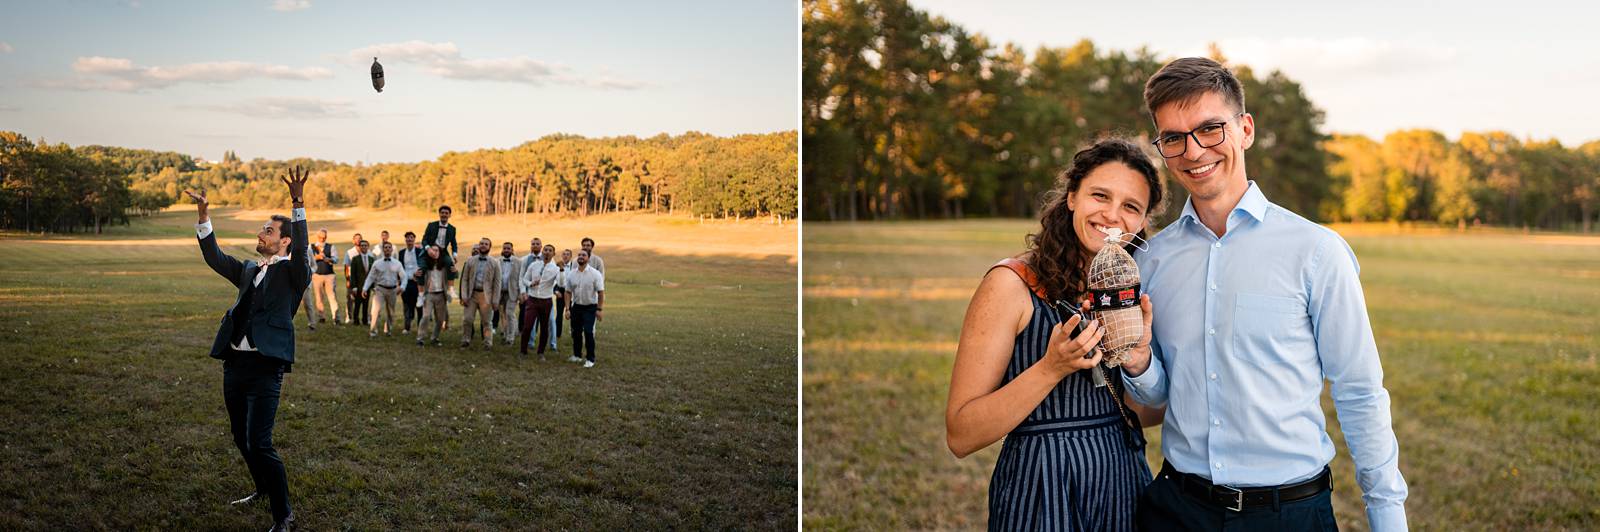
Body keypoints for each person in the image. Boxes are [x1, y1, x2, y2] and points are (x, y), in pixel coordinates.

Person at [1122, 57, 1407, 531]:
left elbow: (1359, 392)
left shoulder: (1316, 251)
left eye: (1210, 129)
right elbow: (1163, 393)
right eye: (1173, 137)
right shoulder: (1150, 260)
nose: (1193, 151)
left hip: (1288, 514)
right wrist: (1139, 364)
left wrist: (1387, 519)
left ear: (1245, 129)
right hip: (1176, 510)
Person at [944, 139, 1167, 531]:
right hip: (1042, 488)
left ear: (1143, 222)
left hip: (1123, 485)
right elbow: (961, 434)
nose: (1112, 215)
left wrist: (1140, 361)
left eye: (1131, 206)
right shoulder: (1011, 285)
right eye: (1100, 195)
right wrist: (1051, 368)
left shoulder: (1135, 293)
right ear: (1071, 197)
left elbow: (1147, 413)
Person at [182, 167, 309, 532]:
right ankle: (261, 488)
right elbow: (215, 258)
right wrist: (204, 216)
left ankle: (284, 515)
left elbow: (302, 247)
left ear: (284, 241)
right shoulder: (250, 268)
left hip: (266, 367)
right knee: (240, 436)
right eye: (262, 230)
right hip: (234, 364)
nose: (261, 234)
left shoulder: (295, 271)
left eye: (268, 231)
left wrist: (297, 203)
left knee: (260, 441)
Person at [456, 238, 501, 349]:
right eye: (481, 243)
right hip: (472, 295)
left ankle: (487, 343)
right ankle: (466, 340)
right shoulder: (470, 261)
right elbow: (465, 279)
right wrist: (464, 296)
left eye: (486, 244)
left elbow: (497, 283)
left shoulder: (495, 263)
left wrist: (495, 300)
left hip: (486, 296)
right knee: (467, 319)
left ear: (489, 247)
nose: (483, 245)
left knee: (486, 322)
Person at [565, 249, 604, 368]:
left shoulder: (595, 274)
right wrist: (567, 309)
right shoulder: (572, 273)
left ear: (588, 258)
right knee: (576, 332)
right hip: (576, 307)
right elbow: (567, 292)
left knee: (588, 332)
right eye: (579, 255)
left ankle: (590, 359)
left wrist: (599, 309)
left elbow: (601, 293)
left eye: (584, 255)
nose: (581, 257)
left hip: (590, 307)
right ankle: (577, 355)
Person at [519, 244, 559, 360]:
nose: (547, 252)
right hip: (532, 300)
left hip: (546, 301)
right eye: (545, 250)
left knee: (544, 327)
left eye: (550, 251)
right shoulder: (534, 265)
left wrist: (561, 270)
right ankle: (523, 351)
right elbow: (524, 279)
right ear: (542, 252)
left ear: (553, 254)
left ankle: (540, 352)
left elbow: (561, 283)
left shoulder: (555, 268)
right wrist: (531, 283)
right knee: (527, 326)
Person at [363, 241, 405, 337]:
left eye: (389, 247)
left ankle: (388, 330)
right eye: (385, 247)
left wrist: (402, 287)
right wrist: (365, 288)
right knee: (375, 311)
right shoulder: (377, 263)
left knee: (390, 312)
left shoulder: (397, 263)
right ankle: (373, 332)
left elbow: (404, 277)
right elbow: (370, 277)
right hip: (380, 290)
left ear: (391, 249)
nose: (387, 249)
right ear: (383, 249)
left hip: (393, 290)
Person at [414, 245, 452, 346]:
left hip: (441, 295)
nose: (435, 252)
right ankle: (420, 338)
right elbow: (417, 278)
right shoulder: (425, 265)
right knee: (426, 316)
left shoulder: (444, 266)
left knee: (440, 319)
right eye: (433, 250)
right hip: (429, 294)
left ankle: (435, 337)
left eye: (437, 250)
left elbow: (452, 274)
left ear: (440, 253)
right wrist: (415, 275)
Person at [493, 241, 524, 346]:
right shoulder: (497, 261)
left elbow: (521, 278)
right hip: (500, 292)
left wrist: (520, 292)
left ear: (512, 250)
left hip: (512, 292)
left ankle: (510, 339)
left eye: (508, 248)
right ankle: (507, 334)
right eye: (504, 248)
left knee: (510, 313)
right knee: (503, 315)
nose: (506, 250)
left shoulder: (518, 262)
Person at [308, 229, 340, 326]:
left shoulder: (331, 247)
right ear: (317, 237)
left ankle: (336, 318)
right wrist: (316, 258)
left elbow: (336, 259)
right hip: (317, 275)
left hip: (329, 275)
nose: (323, 239)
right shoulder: (311, 247)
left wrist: (328, 259)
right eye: (321, 237)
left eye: (324, 237)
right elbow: (308, 260)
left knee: (332, 297)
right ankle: (321, 317)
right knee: (319, 298)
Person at [397, 231, 423, 334]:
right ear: (405, 240)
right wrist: (399, 281)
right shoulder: (401, 253)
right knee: (407, 305)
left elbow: (423, 265)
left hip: (417, 283)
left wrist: (419, 274)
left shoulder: (419, 251)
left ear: (414, 239)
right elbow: (399, 268)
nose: (409, 239)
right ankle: (407, 327)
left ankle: (420, 328)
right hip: (406, 283)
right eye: (407, 238)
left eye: (411, 237)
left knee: (419, 305)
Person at [346, 240, 373, 327]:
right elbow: (352, 274)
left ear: (368, 247)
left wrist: (373, 286)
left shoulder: (371, 259)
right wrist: (353, 286)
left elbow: (373, 274)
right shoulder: (355, 259)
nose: (364, 247)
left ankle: (365, 320)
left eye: (365, 245)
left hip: (368, 286)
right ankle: (356, 320)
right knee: (357, 304)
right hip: (358, 286)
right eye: (362, 246)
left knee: (366, 304)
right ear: (360, 247)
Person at [343, 232, 366, 324]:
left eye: (360, 238)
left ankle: (364, 317)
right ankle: (349, 316)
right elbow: (346, 267)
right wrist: (348, 280)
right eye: (356, 238)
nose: (358, 240)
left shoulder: (365, 251)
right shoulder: (349, 252)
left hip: (363, 280)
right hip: (352, 279)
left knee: (364, 298)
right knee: (350, 298)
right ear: (353, 241)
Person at [555, 248, 573, 360]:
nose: (565, 256)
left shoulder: (574, 266)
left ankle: (573, 332)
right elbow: (553, 280)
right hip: (561, 292)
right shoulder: (557, 266)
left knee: (572, 314)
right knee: (559, 315)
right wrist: (555, 290)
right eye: (564, 254)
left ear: (571, 256)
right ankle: (558, 334)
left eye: (567, 254)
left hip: (571, 292)